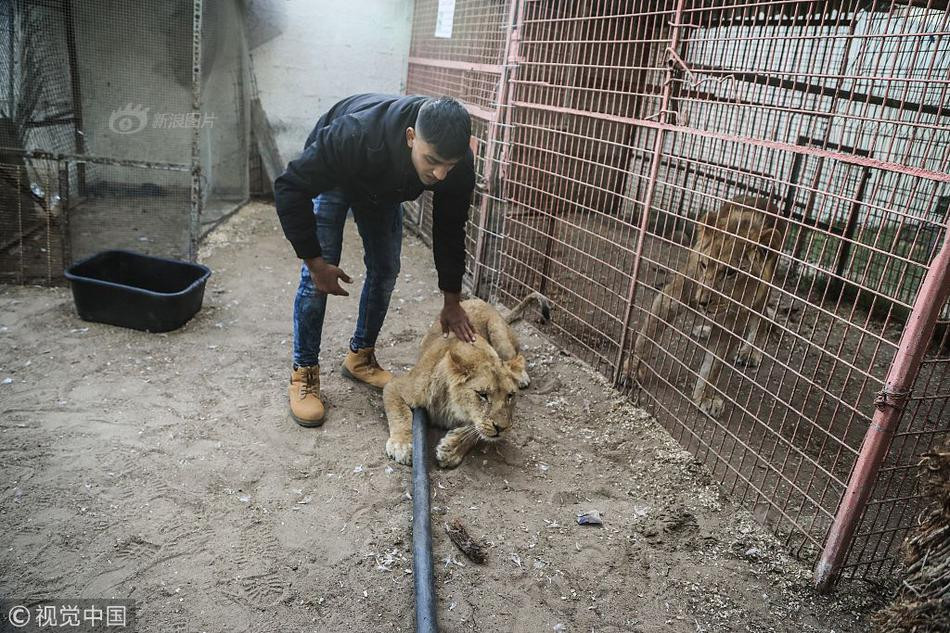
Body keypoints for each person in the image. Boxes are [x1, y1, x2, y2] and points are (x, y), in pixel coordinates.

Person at [274, 93, 478, 427]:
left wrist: (452, 301)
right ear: (411, 137)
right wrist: (315, 263)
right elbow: (289, 188)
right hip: (340, 174)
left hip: (383, 187)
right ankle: (304, 372)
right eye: (432, 161)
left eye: (449, 166)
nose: (441, 175)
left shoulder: (455, 163)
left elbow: (451, 229)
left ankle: (361, 357)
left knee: (386, 269)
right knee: (317, 282)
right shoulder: (354, 134)